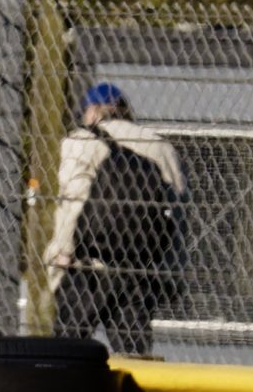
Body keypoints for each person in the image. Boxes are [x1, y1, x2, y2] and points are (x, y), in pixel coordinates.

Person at [47, 82, 183, 355]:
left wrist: (60, 256)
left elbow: (72, 202)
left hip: (87, 266)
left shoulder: (81, 141)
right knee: (135, 352)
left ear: (93, 112)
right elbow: (177, 213)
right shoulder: (159, 146)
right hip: (139, 269)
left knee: (68, 351)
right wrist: (172, 270)